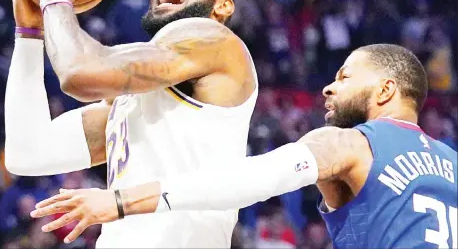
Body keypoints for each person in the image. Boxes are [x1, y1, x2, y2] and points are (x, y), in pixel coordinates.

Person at [31, 44, 458, 249]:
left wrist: (122, 200)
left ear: (385, 89)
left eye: (345, 77)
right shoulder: (453, 163)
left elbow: (253, 177)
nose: (329, 86)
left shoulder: (353, 143)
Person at [4, 0, 258, 248]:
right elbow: (28, 152)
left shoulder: (216, 41)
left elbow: (78, 73)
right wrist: (29, 33)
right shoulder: (133, 100)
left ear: (222, 6)